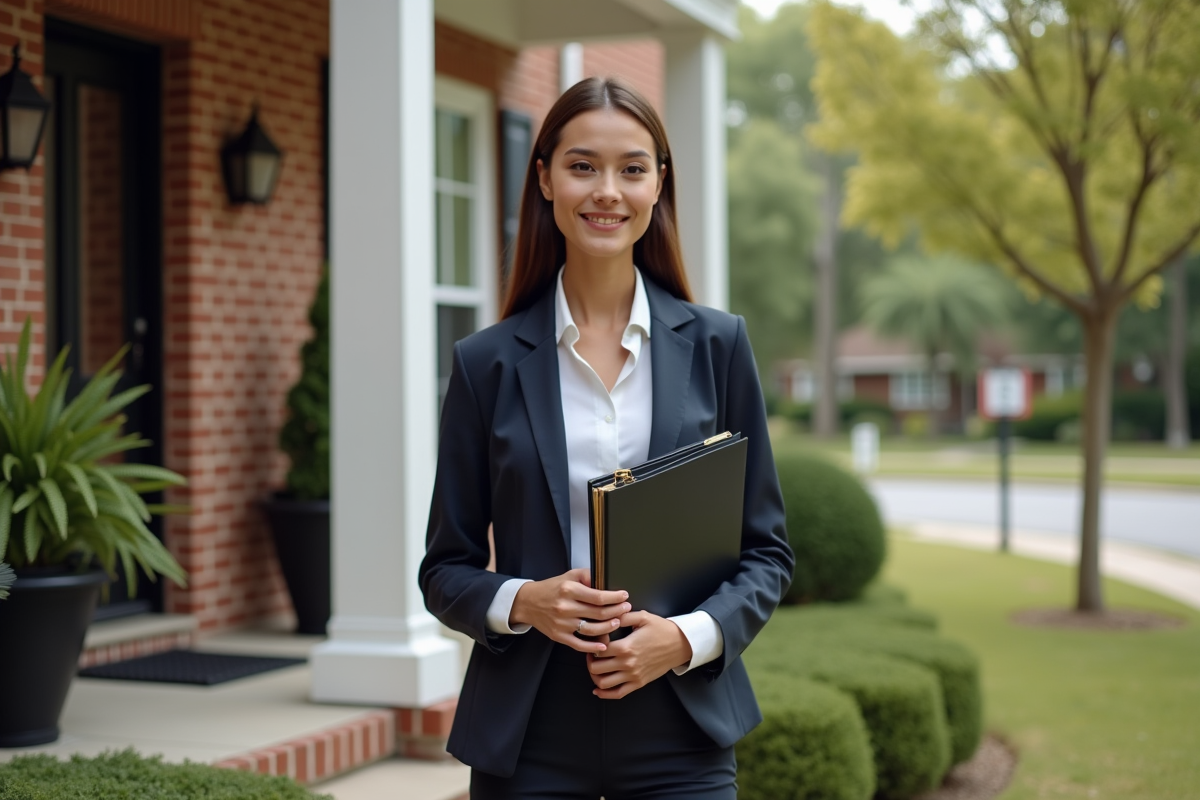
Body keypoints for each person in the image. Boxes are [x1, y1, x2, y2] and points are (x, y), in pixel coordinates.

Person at [419, 76, 793, 799]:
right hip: (528, 730)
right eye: (583, 166)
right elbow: (445, 570)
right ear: (545, 179)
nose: (607, 192)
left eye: (632, 168)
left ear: (659, 183)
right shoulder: (484, 364)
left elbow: (767, 551)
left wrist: (684, 638)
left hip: (680, 725)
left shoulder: (718, 346)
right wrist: (524, 601)